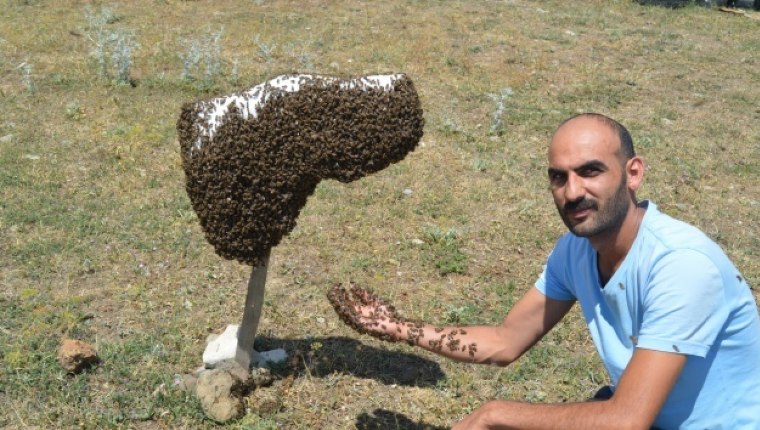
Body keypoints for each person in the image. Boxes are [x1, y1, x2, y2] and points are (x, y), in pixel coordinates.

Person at [330, 113, 760, 429]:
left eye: (590, 171)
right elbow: (503, 342)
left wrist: (494, 414)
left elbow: (627, 419)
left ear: (633, 173)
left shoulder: (681, 266)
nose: (573, 192)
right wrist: (394, 326)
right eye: (559, 177)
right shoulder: (574, 251)